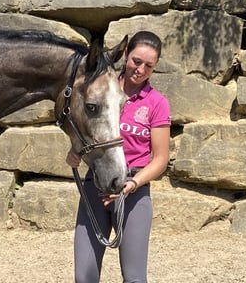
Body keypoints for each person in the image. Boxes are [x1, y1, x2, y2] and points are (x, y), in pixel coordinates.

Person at [66, 31, 171, 283]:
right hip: (96, 185)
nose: (140, 70)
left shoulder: (157, 103)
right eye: (136, 61)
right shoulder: (104, 91)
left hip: (134, 191)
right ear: (126, 55)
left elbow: (160, 159)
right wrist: (76, 149)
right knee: (84, 277)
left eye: (149, 66)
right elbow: (86, 127)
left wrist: (132, 184)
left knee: (134, 278)